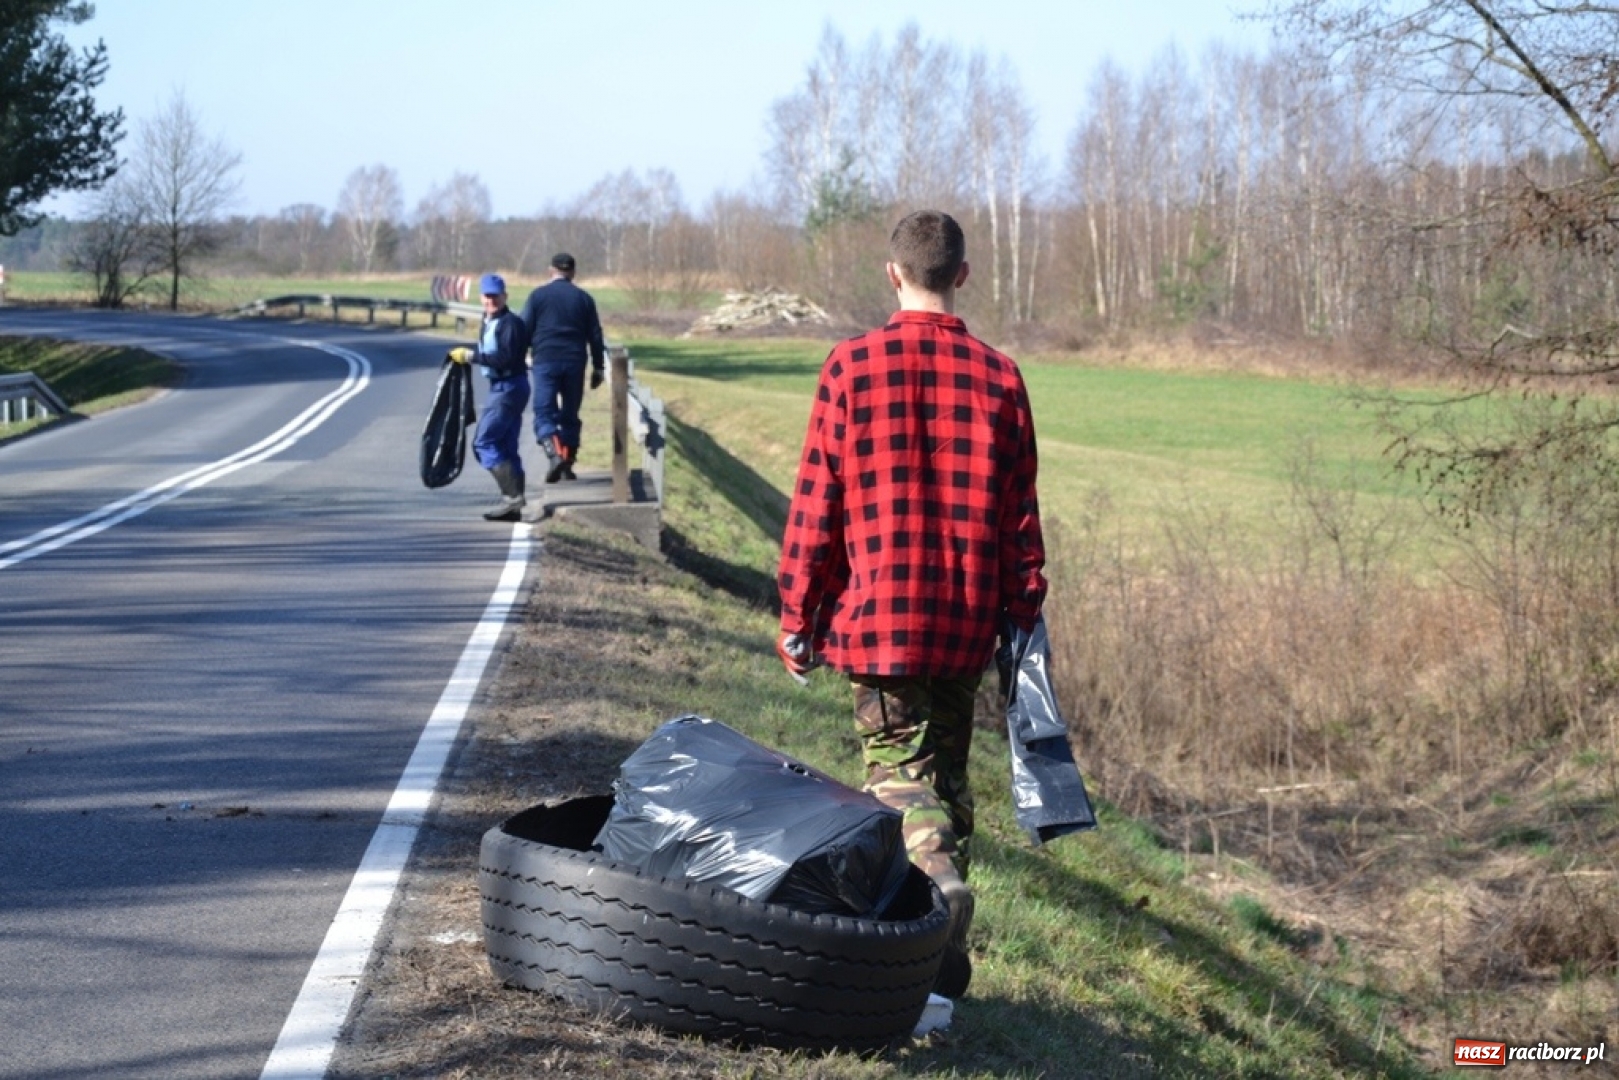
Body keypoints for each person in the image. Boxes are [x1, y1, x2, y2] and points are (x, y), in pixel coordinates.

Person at [775, 210, 1047, 999]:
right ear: (961, 275)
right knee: (949, 788)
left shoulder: (850, 366)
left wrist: (799, 615)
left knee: (898, 779)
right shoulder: (1000, 376)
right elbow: (1018, 519)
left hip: (879, 620)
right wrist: (1021, 617)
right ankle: (932, 965)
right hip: (965, 623)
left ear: (893, 273)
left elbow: (816, 507)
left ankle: (930, 890)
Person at [519, 252, 605, 483]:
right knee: (570, 413)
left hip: (546, 359)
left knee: (544, 411)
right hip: (575, 361)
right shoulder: (584, 299)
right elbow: (595, 335)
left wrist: (520, 355)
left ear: (551, 270)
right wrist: (599, 367)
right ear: (573, 272)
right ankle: (567, 462)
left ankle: (554, 455)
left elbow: (524, 329)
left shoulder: (538, 296)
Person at [452, 272, 532, 521]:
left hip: (508, 388)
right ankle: (514, 508)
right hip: (503, 387)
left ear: (504, 296)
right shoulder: (488, 320)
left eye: (495, 296)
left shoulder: (510, 324)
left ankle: (513, 497)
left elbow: (505, 358)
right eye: (487, 296)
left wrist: (471, 357)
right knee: (506, 445)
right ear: (481, 297)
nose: (491, 301)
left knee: (484, 442)